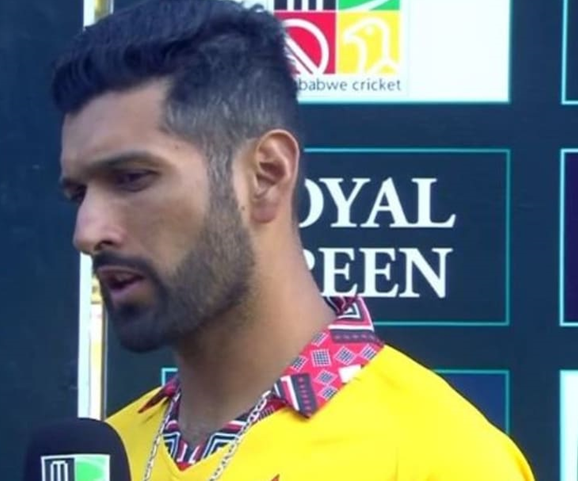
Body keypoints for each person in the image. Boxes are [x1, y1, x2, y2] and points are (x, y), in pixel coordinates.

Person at [50, 0, 536, 479]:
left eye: (132, 178)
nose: (86, 232)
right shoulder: (106, 459)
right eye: (78, 194)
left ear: (267, 175)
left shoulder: (441, 457)